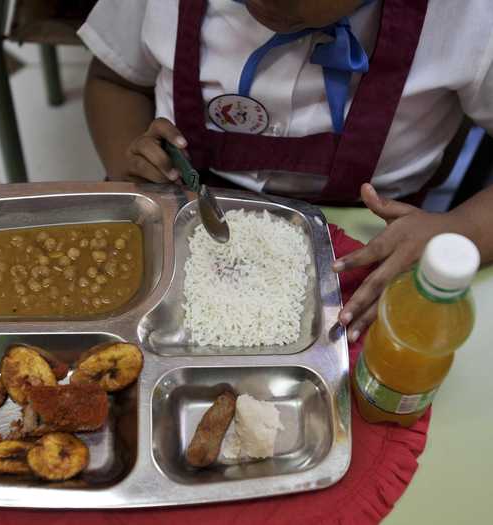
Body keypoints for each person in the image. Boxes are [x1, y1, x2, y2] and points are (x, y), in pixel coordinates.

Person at [78, 0, 493, 341]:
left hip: (374, 252)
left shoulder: (469, 16)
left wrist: (459, 231)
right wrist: (127, 162)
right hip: (185, 216)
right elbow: (115, 80)